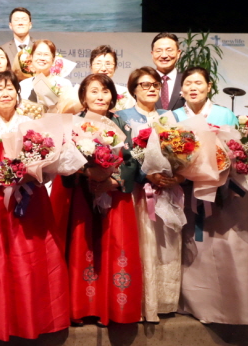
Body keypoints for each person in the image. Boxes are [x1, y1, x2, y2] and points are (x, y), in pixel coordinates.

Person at [0, 70, 69, 341]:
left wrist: (29, 175)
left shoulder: (31, 125)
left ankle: (30, 316)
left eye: (10, 88)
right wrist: (6, 175)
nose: (5, 93)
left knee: (30, 259)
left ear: (18, 94)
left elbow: (47, 163)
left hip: (30, 202)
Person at [172, 66, 248, 325]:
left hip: (225, 194)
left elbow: (237, 151)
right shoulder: (173, 117)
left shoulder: (225, 114)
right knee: (196, 251)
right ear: (181, 90)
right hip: (188, 194)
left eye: (198, 83)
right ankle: (195, 304)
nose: (193, 87)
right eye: (188, 83)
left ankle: (232, 305)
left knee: (227, 248)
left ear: (209, 87)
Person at [49, 74, 143, 326]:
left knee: (113, 247)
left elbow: (132, 159)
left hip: (114, 196)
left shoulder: (122, 124)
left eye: (105, 91)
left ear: (112, 96)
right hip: (79, 194)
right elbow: (62, 158)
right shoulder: (72, 123)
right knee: (81, 246)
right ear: (83, 96)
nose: (100, 96)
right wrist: (87, 171)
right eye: (94, 91)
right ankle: (79, 308)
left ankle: (111, 308)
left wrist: (112, 181)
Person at [112, 67, 180, 323]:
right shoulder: (122, 117)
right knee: (141, 244)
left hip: (166, 190)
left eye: (154, 85)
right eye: (144, 85)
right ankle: (140, 303)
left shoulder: (169, 116)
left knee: (165, 245)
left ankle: (164, 300)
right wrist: (146, 175)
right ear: (133, 89)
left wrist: (176, 175)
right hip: (138, 194)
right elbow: (123, 155)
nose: (151, 89)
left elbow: (182, 149)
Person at [17, 39, 73, 103]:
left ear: (53, 59)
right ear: (31, 57)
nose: (42, 58)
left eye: (46, 54)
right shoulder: (23, 85)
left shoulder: (64, 83)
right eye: (38, 54)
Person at [88, 45, 135, 111]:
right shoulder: (81, 91)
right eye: (98, 63)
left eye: (108, 64)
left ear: (115, 67)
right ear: (91, 67)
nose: (103, 68)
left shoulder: (125, 93)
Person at [151, 32, 185, 111]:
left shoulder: (187, 80)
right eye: (158, 51)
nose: (164, 55)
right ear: (152, 54)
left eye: (169, 50)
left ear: (178, 53)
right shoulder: (143, 82)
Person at [0, 7, 33, 75]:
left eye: (24, 19)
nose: (20, 23)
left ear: (30, 25)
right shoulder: (3, 50)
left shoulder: (40, 47)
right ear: (10, 25)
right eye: (16, 20)